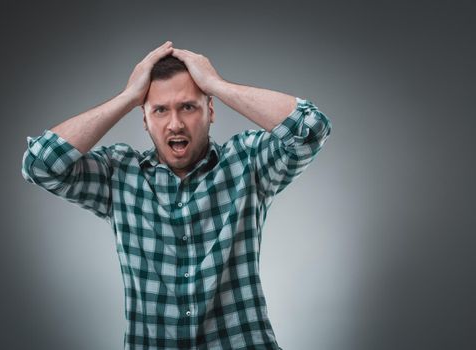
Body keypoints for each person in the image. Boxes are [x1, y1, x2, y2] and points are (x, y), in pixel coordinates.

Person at [21, 40, 332, 349]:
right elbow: (40, 164)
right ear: (144, 119)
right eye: (159, 110)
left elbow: (311, 128)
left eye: (188, 106)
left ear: (210, 111)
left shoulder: (246, 161)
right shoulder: (119, 174)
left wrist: (217, 85)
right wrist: (128, 97)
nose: (175, 124)